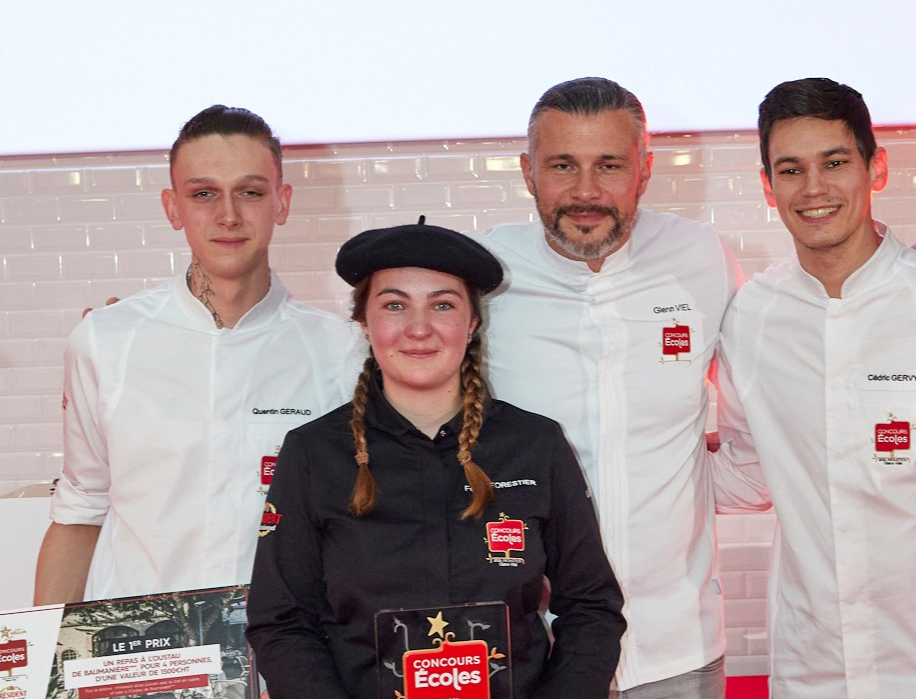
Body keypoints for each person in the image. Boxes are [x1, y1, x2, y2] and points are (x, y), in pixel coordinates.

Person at [712, 78, 916, 698]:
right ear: (768, 187)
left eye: (834, 162)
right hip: (810, 665)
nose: (815, 188)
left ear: (875, 168)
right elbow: (746, 473)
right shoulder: (751, 318)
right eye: (791, 170)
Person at [246, 220, 625, 699]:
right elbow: (280, 622)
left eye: (442, 304)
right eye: (395, 305)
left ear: (471, 323)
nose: (419, 328)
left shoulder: (536, 445)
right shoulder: (312, 454)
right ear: (364, 321)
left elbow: (592, 607)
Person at [470, 77, 746, 699]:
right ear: (527, 172)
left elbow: (777, 358)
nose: (586, 191)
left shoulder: (701, 257)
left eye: (610, 165)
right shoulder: (482, 275)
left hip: (677, 648)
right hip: (528, 649)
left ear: (645, 172)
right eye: (563, 165)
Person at [34, 105, 362, 604]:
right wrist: (43, 670)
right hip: (139, 660)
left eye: (250, 192)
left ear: (282, 203)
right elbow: (80, 513)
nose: (228, 215)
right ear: (172, 208)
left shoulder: (342, 351)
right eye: (203, 194)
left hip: (280, 658)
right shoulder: (105, 339)